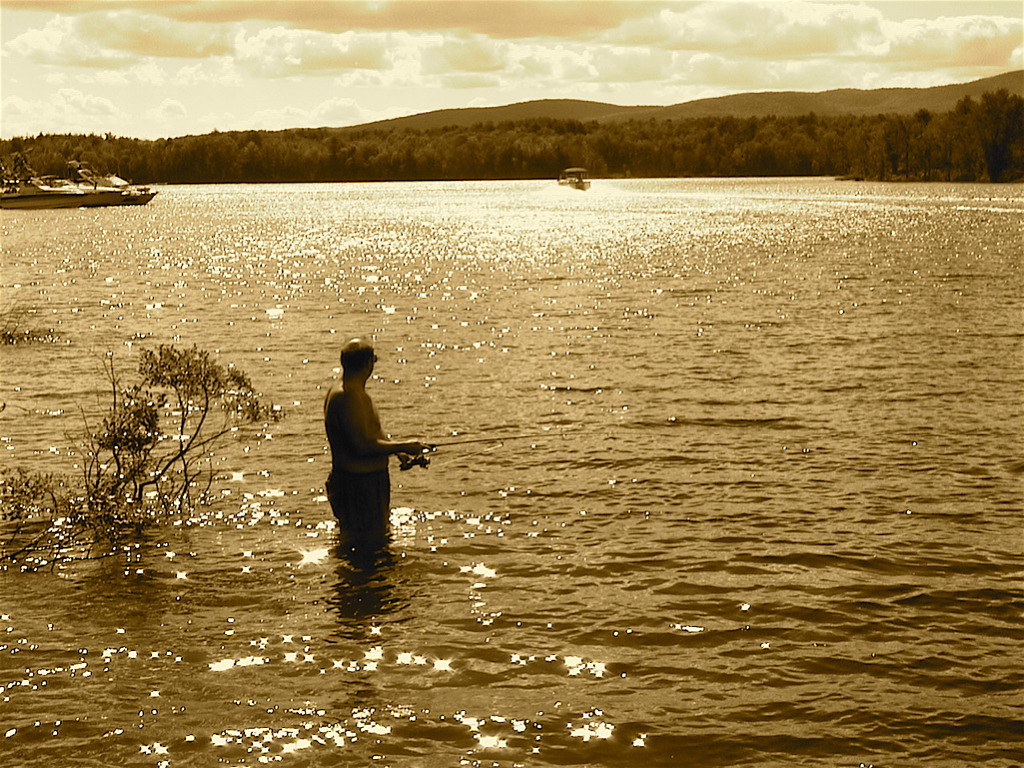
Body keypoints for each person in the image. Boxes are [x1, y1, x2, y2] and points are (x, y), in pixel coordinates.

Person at [324, 338, 430, 540]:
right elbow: (362, 447)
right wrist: (406, 445)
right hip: (359, 486)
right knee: (368, 545)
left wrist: (397, 452)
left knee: (371, 542)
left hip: (365, 483)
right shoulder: (348, 397)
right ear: (367, 364)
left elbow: (371, 431)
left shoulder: (351, 390)